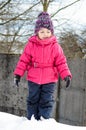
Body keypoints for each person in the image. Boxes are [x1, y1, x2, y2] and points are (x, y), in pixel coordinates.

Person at [14, 12, 72, 120]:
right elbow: (23, 61)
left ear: (52, 32)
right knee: (32, 99)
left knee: (46, 101)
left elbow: (61, 62)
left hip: (50, 80)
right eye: (42, 31)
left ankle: (44, 121)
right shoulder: (31, 45)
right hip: (33, 79)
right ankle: (31, 120)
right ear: (37, 32)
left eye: (48, 31)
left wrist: (66, 75)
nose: (45, 34)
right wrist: (18, 74)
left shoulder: (55, 46)